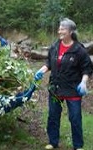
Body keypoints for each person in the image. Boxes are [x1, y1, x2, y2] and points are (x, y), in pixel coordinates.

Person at [34, 18, 92, 150]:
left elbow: (87, 68)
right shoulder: (55, 46)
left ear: (70, 31)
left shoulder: (79, 50)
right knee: (53, 116)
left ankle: (78, 146)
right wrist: (42, 70)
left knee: (75, 118)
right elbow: (49, 62)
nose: (59, 31)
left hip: (73, 89)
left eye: (63, 29)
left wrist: (83, 82)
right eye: (59, 28)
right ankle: (53, 142)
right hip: (56, 88)